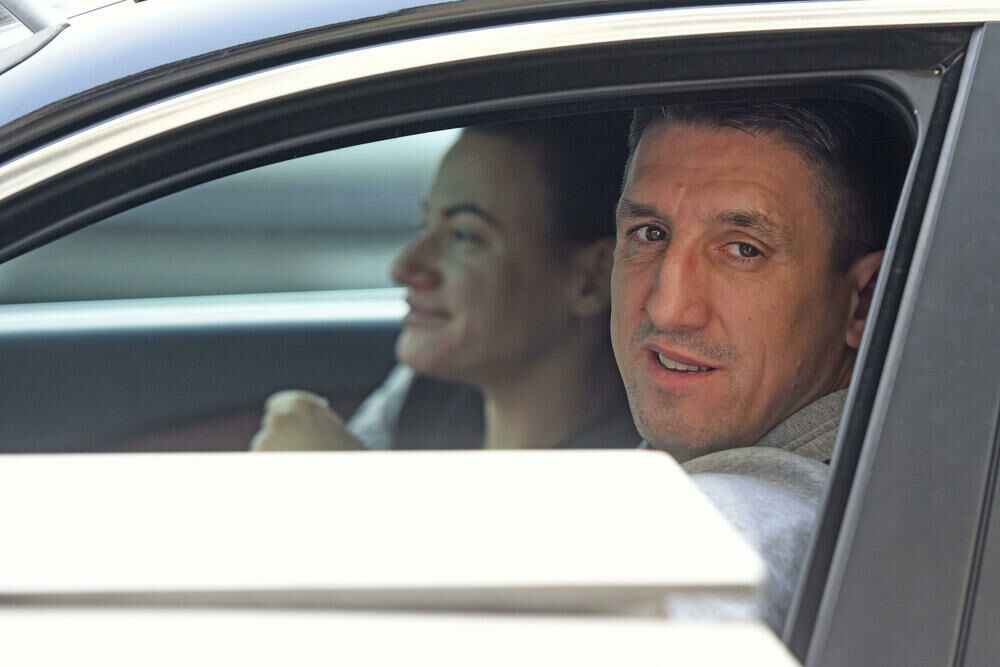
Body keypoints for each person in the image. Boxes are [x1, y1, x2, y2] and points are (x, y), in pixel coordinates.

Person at [610, 99, 908, 632]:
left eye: (743, 250)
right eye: (650, 233)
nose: (667, 307)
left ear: (863, 302)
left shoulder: (735, 529)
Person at [252, 115, 640, 452]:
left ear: (590, 279)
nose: (405, 267)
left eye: (464, 236)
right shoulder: (424, 395)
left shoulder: (632, 479)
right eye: (425, 224)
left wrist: (347, 486)